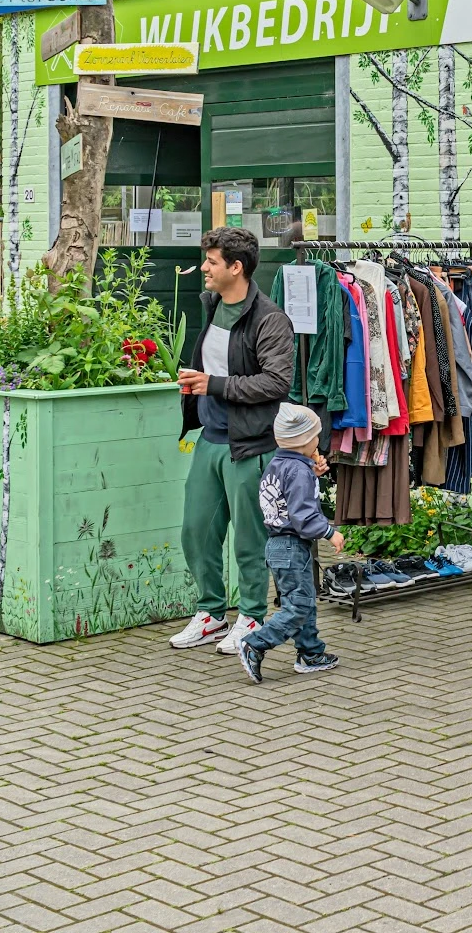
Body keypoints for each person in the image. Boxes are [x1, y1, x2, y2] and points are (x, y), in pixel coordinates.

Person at [172, 227, 295, 655]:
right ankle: (211, 614)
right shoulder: (210, 306)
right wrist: (196, 387)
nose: (203, 268)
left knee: (248, 538)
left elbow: (277, 382)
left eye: (211, 261)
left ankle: (253, 617)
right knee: (196, 531)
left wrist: (215, 385)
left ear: (235, 267)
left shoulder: (270, 319)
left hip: (250, 444)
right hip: (210, 437)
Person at [238, 403, 343, 682]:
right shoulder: (297, 471)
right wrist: (329, 532)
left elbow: (287, 496)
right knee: (297, 607)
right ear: (306, 441)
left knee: (303, 602)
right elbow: (303, 514)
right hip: (292, 545)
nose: (319, 442)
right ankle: (255, 643)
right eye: (316, 437)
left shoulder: (279, 464)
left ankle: (310, 653)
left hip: (278, 546)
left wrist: (312, 473)